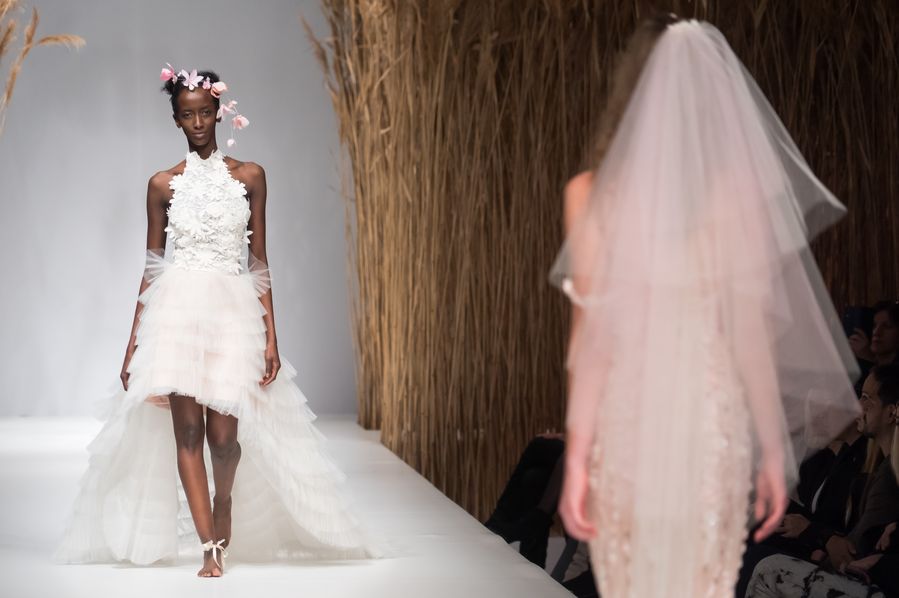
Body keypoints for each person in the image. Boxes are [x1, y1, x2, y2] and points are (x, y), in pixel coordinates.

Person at [549, 15, 861, 597]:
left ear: (630, 90)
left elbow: (589, 346)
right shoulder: (737, 197)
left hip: (631, 420)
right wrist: (774, 452)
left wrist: (578, 459)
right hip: (709, 417)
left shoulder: (590, 196)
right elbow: (750, 335)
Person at [55, 66, 376, 576]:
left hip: (232, 315)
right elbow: (152, 266)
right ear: (176, 120)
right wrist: (133, 344)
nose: (199, 122)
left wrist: (271, 336)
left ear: (219, 113)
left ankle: (222, 502)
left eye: (206, 112)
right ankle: (210, 545)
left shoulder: (250, 177)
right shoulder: (162, 185)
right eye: (189, 115)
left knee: (224, 442)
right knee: (187, 435)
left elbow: (259, 259)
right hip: (177, 314)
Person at [745, 364, 899, 597]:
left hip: (871, 582)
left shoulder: (881, 470)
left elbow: (853, 550)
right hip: (854, 568)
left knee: (764, 564)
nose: (858, 405)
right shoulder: (853, 463)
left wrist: (817, 538)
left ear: (891, 412)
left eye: (867, 398)